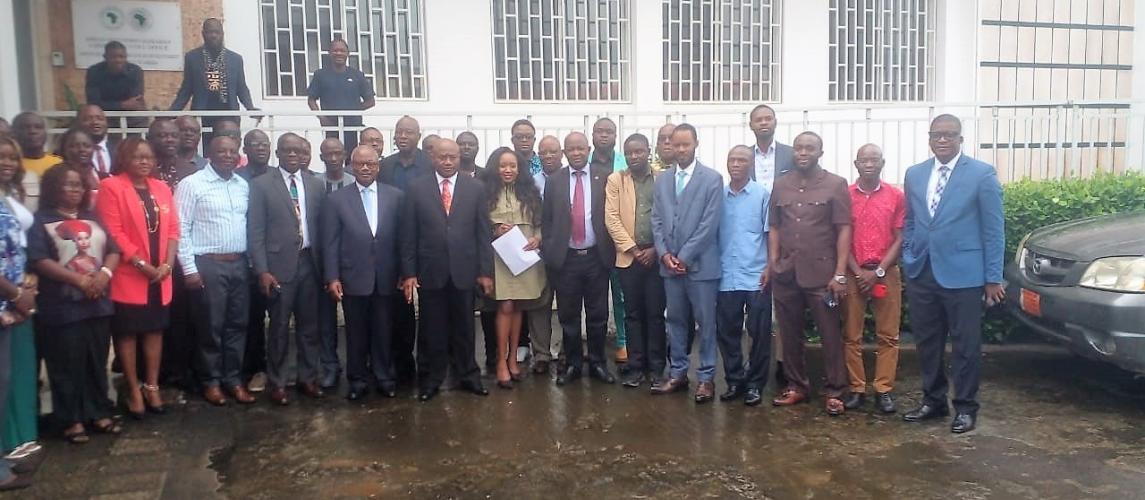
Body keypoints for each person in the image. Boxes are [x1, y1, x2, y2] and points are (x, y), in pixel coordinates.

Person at [901, 115, 1005, 434]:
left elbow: (993, 230)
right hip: (923, 271)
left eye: (950, 135)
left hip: (964, 274)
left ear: (961, 139)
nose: (943, 140)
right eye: (937, 135)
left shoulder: (981, 174)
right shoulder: (915, 174)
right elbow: (912, 220)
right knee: (927, 341)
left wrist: (992, 277)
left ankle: (965, 407)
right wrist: (909, 254)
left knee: (965, 344)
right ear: (929, 138)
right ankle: (933, 401)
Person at [30, 163, 121, 442]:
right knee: (66, 364)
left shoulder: (92, 216)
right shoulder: (41, 220)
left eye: (79, 185)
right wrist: (78, 280)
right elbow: (40, 260)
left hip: (98, 302)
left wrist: (104, 276)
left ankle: (98, 412)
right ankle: (71, 420)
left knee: (96, 360)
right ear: (53, 188)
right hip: (62, 305)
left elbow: (113, 250)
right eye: (68, 185)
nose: (74, 190)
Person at [765, 131, 852, 416]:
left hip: (822, 274)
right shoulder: (781, 185)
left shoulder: (836, 184)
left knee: (829, 334)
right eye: (799, 148)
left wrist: (840, 273)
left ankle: (836, 390)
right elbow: (775, 226)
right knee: (789, 334)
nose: (802, 152)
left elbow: (843, 228)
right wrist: (774, 263)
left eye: (809, 148)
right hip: (787, 273)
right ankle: (796, 386)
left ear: (820, 152)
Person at [400, 139, 492, 401]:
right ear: (433, 158)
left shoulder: (475, 188)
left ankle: (469, 375)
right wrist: (409, 273)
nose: (449, 161)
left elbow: (483, 233)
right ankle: (432, 379)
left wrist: (485, 271)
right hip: (431, 271)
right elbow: (408, 234)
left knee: (465, 327)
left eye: (453, 156)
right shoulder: (416, 188)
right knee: (432, 329)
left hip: (465, 270)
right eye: (443, 157)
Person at [97, 138, 180, 419]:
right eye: (137, 157)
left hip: (161, 276)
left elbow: (173, 230)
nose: (144, 162)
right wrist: (141, 263)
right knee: (128, 333)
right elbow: (113, 232)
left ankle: (152, 385)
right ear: (124, 159)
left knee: (155, 330)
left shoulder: (162, 188)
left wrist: (167, 264)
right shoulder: (111, 187)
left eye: (148, 157)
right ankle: (133, 389)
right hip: (129, 275)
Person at [175, 135, 253, 406]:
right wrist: (189, 269)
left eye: (233, 151)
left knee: (237, 324)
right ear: (209, 152)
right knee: (211, 326)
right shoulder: (192, 185)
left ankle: (233, 379)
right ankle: (211, 381)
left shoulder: (242, 185)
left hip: (239, 263)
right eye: (222, 151)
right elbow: (180, 229)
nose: (229, 155)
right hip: (208, 264)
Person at [248, 134, 326, 405]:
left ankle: (308, 378)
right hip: (278, 268)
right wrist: (262, 270)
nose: (292, 155)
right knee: (279, 328)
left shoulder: (316, 185)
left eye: (297, 150)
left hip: (310, 263)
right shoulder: (261, 186)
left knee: (309, 328)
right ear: (277, 153)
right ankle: (278, 382)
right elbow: (255, 231)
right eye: (287, 150)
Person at [322, 146, 404, 401]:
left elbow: (404, 240)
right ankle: (357, 380)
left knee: (383, 330)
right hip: (353, 276)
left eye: (370, 163)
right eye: (360, 164)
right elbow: (331, 242)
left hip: (386, 276)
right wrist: (333, 277)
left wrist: (405, 272)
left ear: (378, 166)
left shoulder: (396, 196)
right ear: (351, 165)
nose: (365, 168)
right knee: (355, 332)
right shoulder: (337, 200)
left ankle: (384, 377)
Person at [649, 124, 723, 403]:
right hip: (669, 267)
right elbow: (656, 220)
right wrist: (665, 254)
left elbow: (709, 224)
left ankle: (705, 378)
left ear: (695, 144)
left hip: (702, 267)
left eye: (685, 145)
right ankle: (678, 373)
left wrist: (684, 256)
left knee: (705, 323)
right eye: (674, 144)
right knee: (676, 320)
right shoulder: (663, 180)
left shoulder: (712, 179)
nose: (680, 150)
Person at [541, 132, 616, 386]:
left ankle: (597, 363)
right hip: (567, 259)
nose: (576, 153)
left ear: (588, 149)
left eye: (580, 148)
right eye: (571, 149)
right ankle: (573, 364)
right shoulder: (555, 181)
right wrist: (552, 249)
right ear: (565, 152)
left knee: (597, 315)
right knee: (568, 316)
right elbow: (547, 220)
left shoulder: (604, 177)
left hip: (596, 257)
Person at [839, 144, 905, 414]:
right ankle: (856, 388)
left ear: (883, 162)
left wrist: (877, 272)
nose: (869, 164)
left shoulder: (896, 196)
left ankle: (883, 389)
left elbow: (901, 237)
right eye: (864, 160)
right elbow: (840, 236)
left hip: (885, 273)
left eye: (874, 159)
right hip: (854, 272)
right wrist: (856, 272)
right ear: (856, 164)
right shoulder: (845, 196)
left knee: (888, 335)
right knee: (851, 335)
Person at [604, 134, 665, 389]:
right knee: (632, 314)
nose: (634, 156)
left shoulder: (663, 179)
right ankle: (636, 366)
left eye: (639, 151)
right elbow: (612, 218)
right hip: (629, 258)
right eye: (629, 152)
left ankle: (658, 367)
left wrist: (655, 250)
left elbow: (671, 217)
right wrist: (633, 249)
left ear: (648, 151)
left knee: (655, 313)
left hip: (657, 257)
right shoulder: (616, 180)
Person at [715, 146, 773, 407]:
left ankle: (755, 385)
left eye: (742, 160)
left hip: (756, 274)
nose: (736, 164)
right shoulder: (717, 197)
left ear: (751, 164)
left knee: (759, 332)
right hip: (726, 274)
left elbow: (770, 234)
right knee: (727, 331)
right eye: (732, 159)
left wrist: (770, 266)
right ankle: (735, 380)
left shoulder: (762, 195)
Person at [482, 148, 544, 389]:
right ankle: (500, 362)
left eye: (513, 166)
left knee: (518, 305)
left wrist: (538, 239)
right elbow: (477, 224)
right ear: (495, 168)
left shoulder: (530, 193)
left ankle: (512, 360)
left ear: (520, 169)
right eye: (503, 165)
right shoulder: (485, 193)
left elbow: (540, 223)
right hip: (499, 257)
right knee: (505, 304)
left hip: (525, 255)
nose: (508, 170)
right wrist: (494, 229)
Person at [149, 119, 200, 390]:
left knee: (183, 315)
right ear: (151, 138)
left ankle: (183, 369)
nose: (169, 139)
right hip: (148, 256)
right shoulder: (144, 170)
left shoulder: (190, 171)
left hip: (181, 255)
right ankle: (157, 372)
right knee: (155, 317)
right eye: (161, 135)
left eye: (173, 135)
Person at [380, 116, 432, 385]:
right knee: (400, 308)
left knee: (430, 311)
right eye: (399, 131)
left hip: (426, 246)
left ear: (418, 136)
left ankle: (427, 365)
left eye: (409, 132)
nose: (403, 136)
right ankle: (401, 363)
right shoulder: (385, 166)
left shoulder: (429, 164)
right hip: (391, 245)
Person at [0, 135, 40, 474]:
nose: (7, 163)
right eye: (0, 158)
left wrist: (27, 280)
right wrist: (14, 294)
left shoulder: (10, 194)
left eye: (12, 157)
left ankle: (16, 440)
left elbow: (16, 246)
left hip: (18, 296)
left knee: (13, 374)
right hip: (7, 299)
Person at [232, 129, 272, 393]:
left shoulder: (279, 177)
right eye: (254, 144)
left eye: (264, 144)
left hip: (279, 261)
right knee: (251, 320)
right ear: (244, 150)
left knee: (279, 319)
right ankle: (253, 369)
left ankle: (276, 369)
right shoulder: (237, 180)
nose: (260, 148)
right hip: (247, 264)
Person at [169, 19, 258, 133]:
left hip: (229, 114)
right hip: (203, 115)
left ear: (222, 34)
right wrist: (171, 113)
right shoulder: (192, 58)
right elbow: (186, 90)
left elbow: (241, 88)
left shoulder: (235, 59)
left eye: (217, 32)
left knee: (227, 147)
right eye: (210, 32)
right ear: (203, 34)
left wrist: (250, 108)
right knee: (205, 148)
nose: (213, 35)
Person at [589, 117, 629, 364]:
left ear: (616, 136)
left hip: (617, 240)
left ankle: (623, 342)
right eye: (599, 131)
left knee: (621, 295)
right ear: (592, 135)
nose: (604, 136)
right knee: (594, 299)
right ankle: (594, 347)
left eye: (609, 132)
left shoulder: (624, 164)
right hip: (590, 241)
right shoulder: (583, 159)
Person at [307, 38, 375, 154]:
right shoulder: (320, 75)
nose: (339, 53)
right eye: (335, 50)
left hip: (352, 127)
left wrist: (352, 110)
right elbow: (311, 100)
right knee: (332, 157)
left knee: (352, 159)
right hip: (330, 127)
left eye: (342, 50)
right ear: (329, 53)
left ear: (348, 54)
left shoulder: (357, 75)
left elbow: (370, 101)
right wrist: (322, 118)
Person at [12, 112, 61, 211]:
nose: (32, 131)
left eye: (38, 127)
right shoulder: (11, 166)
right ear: (14, 133)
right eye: (25, 127)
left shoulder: (59, 163)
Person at [85, 41, 145, 113]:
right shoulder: (94, 71)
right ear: (105, 57)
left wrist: (111, 105)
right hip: (104, 116)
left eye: (121, 56)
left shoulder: (135, 71)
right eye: (113, 57)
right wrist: (121, 105)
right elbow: (93, 102)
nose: (118, 60)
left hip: (132, 116)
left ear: (126, 57)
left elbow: (135, 102)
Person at [748, 104, 795, 192]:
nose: (764, 123)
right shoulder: (745, 156)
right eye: (758, 120)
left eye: (768, 119)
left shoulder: (791, 153)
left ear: (775, 122)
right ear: (751, 125)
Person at [54, 128, 101, 206]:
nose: (82, 149)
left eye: (87, 146)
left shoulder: (106, 177)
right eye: (75, 146)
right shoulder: (56, 177)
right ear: (64, 149)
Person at [150, 119, 200, 189]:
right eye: (163, 135)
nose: (170, 139)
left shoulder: (189, 170)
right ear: (149, 139)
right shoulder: (144, 169)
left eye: (175, 136)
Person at [76, 105, 115, 179]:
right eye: (88, 119)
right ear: (78, 124)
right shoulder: (71, 153)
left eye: (100, 118)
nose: (95, 122)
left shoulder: (119, 149)